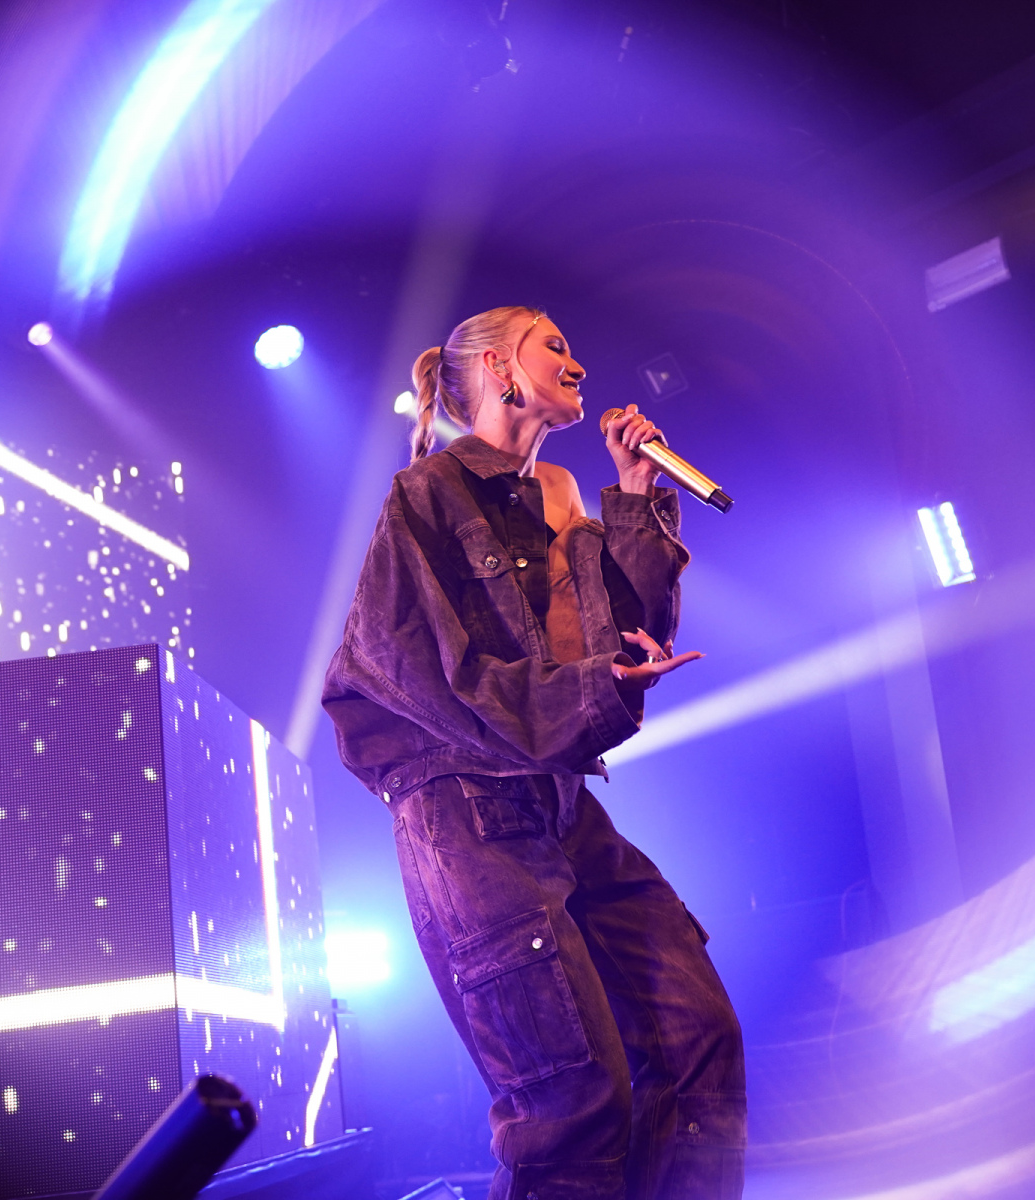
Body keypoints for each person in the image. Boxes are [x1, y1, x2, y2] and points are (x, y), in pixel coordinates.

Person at [322, 306, 745, 1199]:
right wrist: (593, 689)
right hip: (465, 805)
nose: (576, 361)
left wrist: (635, 491)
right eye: (554, 345)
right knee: (574, 1103)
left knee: (695, 1041)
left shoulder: (559, 489)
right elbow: (409, 670)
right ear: (499, 369)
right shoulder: (428, 493)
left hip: (557, 799)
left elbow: (623, 632)